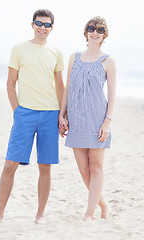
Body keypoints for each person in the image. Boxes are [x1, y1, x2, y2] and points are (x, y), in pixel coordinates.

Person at [0, 9, 64, 225]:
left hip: (50, 114)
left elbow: (60, 86)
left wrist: (62, 114)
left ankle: (40, 216)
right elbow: (10, 83)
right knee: (10, 164)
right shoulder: (19, 49)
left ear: (52, 28)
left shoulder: (56, 52)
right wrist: (17, 110)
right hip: (25, 113)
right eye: (39, 23)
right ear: (32, 25)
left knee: (45, 166)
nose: (43, 27)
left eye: (47, 24)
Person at [58, 16, 116, 221]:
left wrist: (107, 122)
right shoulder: (74, 57)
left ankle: (89, 213)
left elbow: (111, 95)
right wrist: (61, 114)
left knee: (96, 167)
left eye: (100, 30)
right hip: (76, 119)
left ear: (104, 35)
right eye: (91, 28)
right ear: (86, 32)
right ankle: (104, 204)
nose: (95, 32)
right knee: (83, 169)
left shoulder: (108, 61)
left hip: (97, 119)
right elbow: (67, 88)